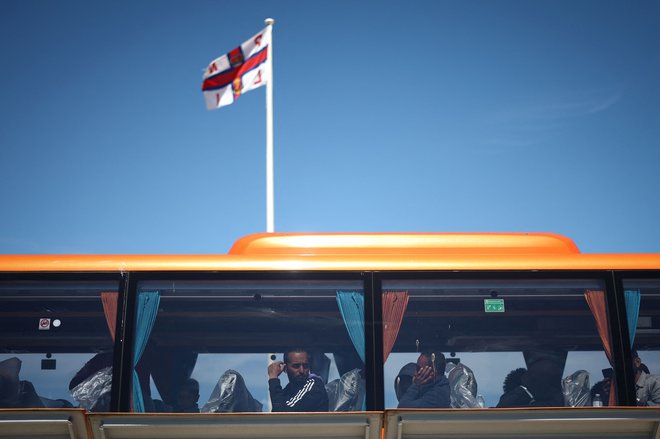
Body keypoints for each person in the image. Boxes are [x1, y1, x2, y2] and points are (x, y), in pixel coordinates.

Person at [268, 348, 329, 412]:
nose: (302, 371)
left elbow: (281, 413)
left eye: (305, 366)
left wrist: (273, 378)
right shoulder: (287, 391)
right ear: (285, 369)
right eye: (296, 366)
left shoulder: (314, 385)